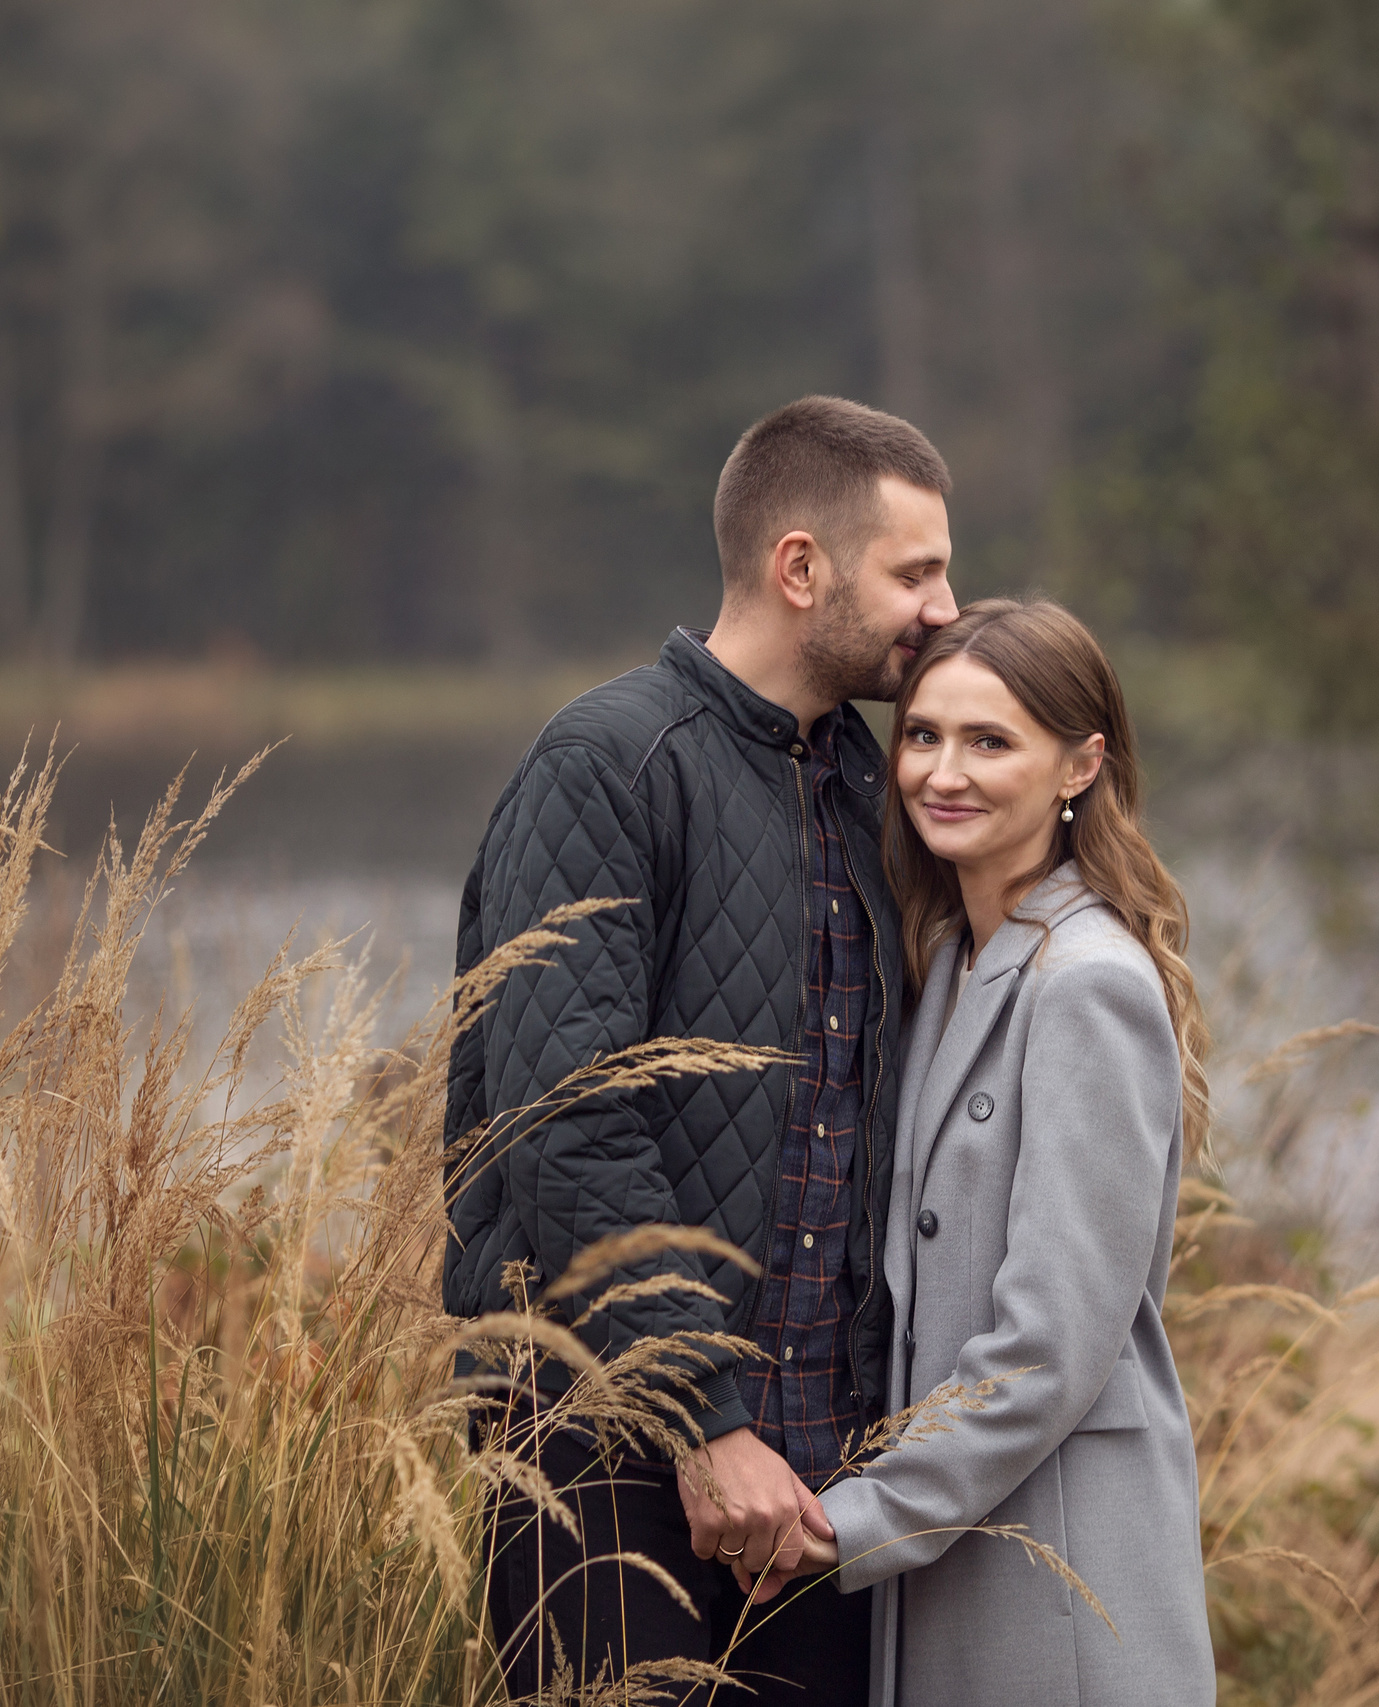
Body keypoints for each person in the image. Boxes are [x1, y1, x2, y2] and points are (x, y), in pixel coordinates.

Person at [440, 395, 959, 1702]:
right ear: (801, 568)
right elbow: (568, 1124)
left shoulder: (869, 781)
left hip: (822, 1486)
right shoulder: (611, 762)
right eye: (916, 570)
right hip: (608, 1452)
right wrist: (704, 1416)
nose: (945, 607)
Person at [796, 597, 1218, 1706]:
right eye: (925, 735)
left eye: (991, 741)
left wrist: (855, 1520)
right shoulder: (954, 965)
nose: (943, 771)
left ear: (1079, 765)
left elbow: (1050, 1345)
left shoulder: (1087, 985)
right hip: (964, 1553)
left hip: (1059, 1572)